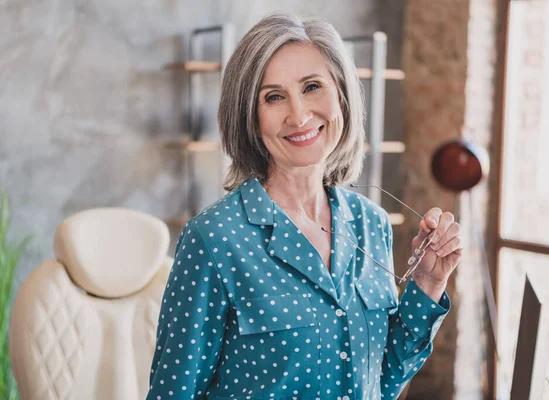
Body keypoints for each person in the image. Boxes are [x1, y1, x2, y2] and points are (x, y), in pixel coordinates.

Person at [147, 12, 462, 400]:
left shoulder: (371, 222)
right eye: (274, 97)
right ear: (250, 117)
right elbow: (172, 393)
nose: (298, 115)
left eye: (312, 87)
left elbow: (380, 382)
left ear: (341, 96)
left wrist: (428, 283)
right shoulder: (214, 239)